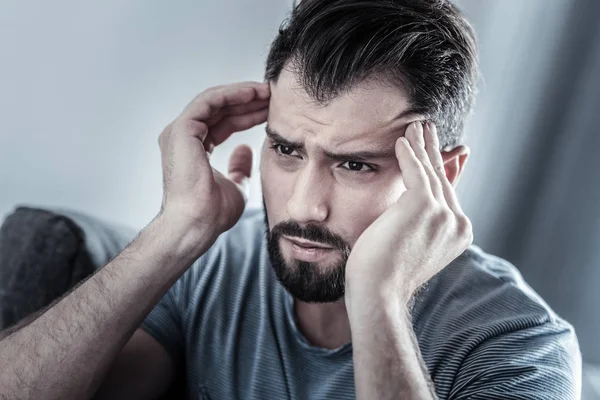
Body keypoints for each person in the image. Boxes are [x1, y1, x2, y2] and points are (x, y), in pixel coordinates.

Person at [0, 0, 581, 399]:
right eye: (287, 150)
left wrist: (378, 297)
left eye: (355, 164)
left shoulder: (518, 347)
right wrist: (176, 230)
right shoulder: (219, 268)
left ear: (442, 175)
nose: (305, 206)